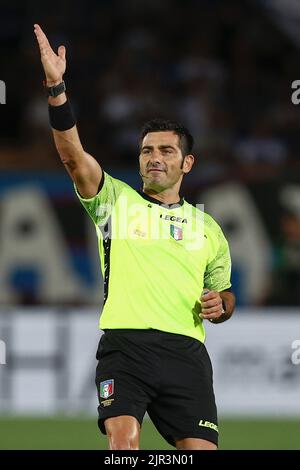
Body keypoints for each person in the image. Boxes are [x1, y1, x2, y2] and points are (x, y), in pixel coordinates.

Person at [34, 23, 236, 451]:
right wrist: (57, 88)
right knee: (124, 447)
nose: (155, 158)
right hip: (126, 347)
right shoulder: (114, 201)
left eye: (166, 151)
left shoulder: (208, 228)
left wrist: (223, 306)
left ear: (188, 163)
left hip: (187, 354)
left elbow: (223, 294)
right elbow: (72, 156)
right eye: (147, 150)